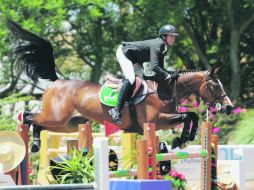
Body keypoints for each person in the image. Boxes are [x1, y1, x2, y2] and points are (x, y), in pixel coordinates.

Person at [108, 24, 180, 124]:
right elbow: (155, 67)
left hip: (136, 59)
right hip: (125, 53)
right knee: (131, 78)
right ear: (164, 36)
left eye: (174, 36)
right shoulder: (158, 44)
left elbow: (160, 69)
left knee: (142, 81)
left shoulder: (164, 48)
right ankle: (116, 109)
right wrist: (168, 75)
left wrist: (171, 73)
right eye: (171, 36)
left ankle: (129, 104)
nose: (173, 38)